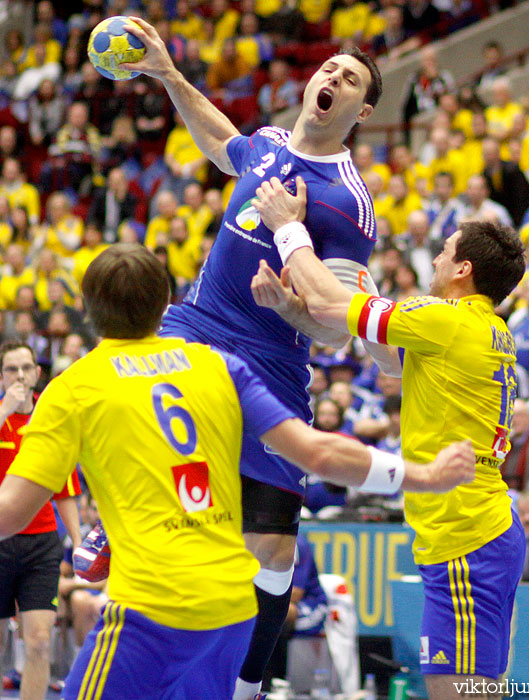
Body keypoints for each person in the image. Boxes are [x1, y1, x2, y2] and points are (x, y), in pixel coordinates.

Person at [0, 244, 475, 700]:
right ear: (167, 302)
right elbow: (320, 454)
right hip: (230, 606)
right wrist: (428, 475)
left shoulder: (73, 389)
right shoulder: (217, 366)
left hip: (152, 605)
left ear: (88, 309)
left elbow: (12, 514)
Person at [88, 22, 386, 699]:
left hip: (273, 365)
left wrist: (286, 308)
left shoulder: (347, 201)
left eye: (350, 80)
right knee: (127, 385)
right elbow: (224, 144)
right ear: (311, 82)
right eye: (330, 70)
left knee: (274, 554)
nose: (333, 79)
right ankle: (114, 527)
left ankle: (247, 687)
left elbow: (339, 326)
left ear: (362, 112)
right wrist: (166, 72)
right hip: (196, 328)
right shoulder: (271, 145)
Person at [250, 183, 526, 699]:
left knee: (457, 692)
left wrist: (287, 226)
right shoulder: (485, 328)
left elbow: (333, 304)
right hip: (479, 528)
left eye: (445, 251)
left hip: (465, 536)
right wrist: (324, 306)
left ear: (463, 269)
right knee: (480, 690)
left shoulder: (445, 320)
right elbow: (389, 362)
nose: (439, 258)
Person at [0, 340, 82, 700]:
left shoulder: (50, 423)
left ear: (37, 372)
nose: (20, 375)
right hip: (0, 540)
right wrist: (5, 410)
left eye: (26, 368)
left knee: (38, 643)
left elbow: (64, 488)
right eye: (11, 369)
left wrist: (78, 542)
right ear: (1, 377)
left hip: (42, 544)